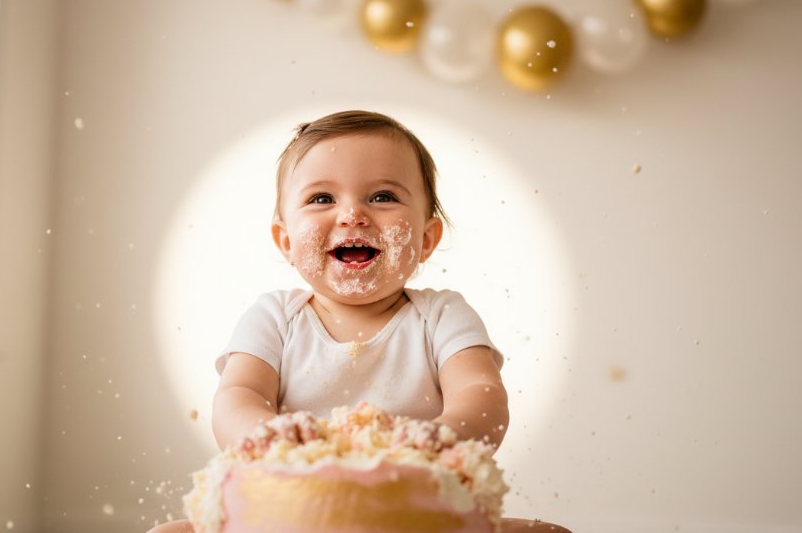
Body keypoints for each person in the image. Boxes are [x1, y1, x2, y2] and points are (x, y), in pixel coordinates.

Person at [145, 110, 571, 533]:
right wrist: (272, 438)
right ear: (286, 241)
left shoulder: (441, 315)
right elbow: (237, 396)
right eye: (322, 198)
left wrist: (438, 441)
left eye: (383, 196)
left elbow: (482, 395)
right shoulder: (275, 317)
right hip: (294, 509)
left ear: (426, 239)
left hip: (416, 510)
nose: (352, 214)